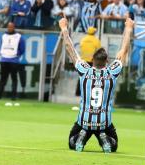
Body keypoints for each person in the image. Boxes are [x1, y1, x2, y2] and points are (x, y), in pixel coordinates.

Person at [58, 16, 135, 153]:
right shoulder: (112, 72)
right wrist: (128, 29)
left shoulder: (84, 71)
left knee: (71, 143)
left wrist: (64, 28)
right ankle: (104, 138)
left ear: (92, 60)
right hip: (104, 122)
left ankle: (79, 138)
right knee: (114, 146)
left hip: (84, 121)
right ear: (107, 62)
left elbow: (70, 48)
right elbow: (124, 52)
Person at [0, 22, 25, 100]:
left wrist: (16, 54)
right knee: (2, 79)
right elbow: (2, 45)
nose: (10, 28)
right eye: (8, 27)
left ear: (14, 27)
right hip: (4, 59)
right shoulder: (4, 36)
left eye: (11, 27)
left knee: (14, 79)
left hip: (14, 60)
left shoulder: (19, 37)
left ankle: (13, 96)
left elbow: (22, 49)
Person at [75, 26, 101, 96]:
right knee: (92, 78)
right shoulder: (96, 40)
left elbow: (80, 48)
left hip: (83, 60)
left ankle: (78, 92)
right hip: (92, 61)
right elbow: (99, 51)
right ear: (94, 32)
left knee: (82, 76)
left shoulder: (83, 40)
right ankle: (89, 92)